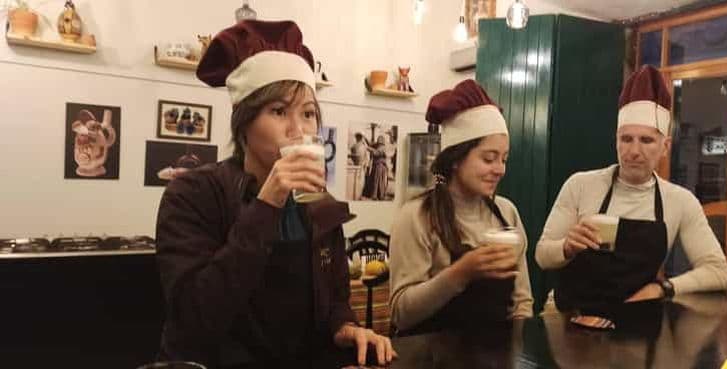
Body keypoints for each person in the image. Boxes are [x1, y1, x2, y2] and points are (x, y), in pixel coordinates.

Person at [155, 20, 395, 369]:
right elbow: (194, 318)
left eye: (309, 114)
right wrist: (268, 202)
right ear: (244, 126)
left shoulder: (318, 202)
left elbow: (336, 299)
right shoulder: (192, 193)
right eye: (279, 111)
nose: (298, 130)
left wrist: (345, 328)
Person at [535, 66, 727, 312]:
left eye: (646, 140)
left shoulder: (680, 201)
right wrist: (566, 246)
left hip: (637, 323)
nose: (634, 151)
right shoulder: (581, 185)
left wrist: (664, 288)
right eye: (626, 139)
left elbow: (719, 271)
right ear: (616, 141)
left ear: (665, 146)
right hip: (569, 317)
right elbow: (542, 255)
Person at [389, 79, 533, 334]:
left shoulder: (507, 213)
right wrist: (460, 273)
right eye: (489, 158)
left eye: (504, 159)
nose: (500, 169)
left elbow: (521, 302)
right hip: (430, 359)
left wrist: (518, 352)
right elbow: (401, 314)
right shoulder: (416, 216)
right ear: (455, 159)